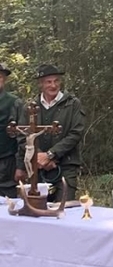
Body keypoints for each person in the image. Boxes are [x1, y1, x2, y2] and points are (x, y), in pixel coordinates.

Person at [17, 64, 85, 203]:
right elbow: (23, 136)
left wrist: (50, 155)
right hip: (37, 170)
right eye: (48, 82)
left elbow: (76, 134)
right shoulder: (30, 107)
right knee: (37, 209)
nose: (53, 85)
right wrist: (38, 157)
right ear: (40, 84)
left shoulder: (72, 104)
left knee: (64, 209)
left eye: (56, 81)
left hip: (65, 168)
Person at [0, 63, 24, 198]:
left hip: (7, 164)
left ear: (4, 79)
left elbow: (22, 137)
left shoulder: (14, 102)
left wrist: (20, 166)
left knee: (8, 204)